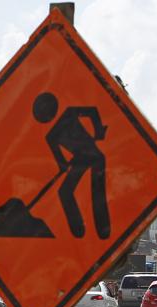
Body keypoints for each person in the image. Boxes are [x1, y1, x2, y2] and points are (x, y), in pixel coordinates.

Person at [33, 92, 111, 239]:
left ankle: (103, 230)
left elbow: (92, 111)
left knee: (97, 191)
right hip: (80, 158)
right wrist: (63, 165)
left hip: (95, 156)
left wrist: (99, 130)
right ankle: (78, 230)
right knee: (64, 191)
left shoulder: (69, 114)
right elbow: (59, 159)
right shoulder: (51, 136)